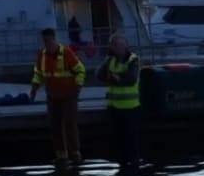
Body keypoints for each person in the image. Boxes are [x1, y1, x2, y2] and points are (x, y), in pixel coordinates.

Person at [30, 28, 86, 166]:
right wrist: (34, 89)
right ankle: (61, 155)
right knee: (55, 125)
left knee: (69, 124)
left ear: (54, 39)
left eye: (49, 41)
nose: (47, 44)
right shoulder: (41, 55)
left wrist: (78, 87)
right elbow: (38, 73)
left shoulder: (66, 53)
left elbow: (80, 70)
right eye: (45, 41)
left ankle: (75, 154)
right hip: (52, 96)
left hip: (69, 95)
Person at [97, 32, 141, 167]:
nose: (114, 48)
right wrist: (115, 75)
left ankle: (133, 164)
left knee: (131, 139)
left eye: (117, 45)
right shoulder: (110, 60)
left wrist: (116, 78)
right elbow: (100, 75)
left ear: (124, 46)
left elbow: (131, 78)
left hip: (130, 107)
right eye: (113, 46)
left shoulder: (132, 59)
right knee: (118, 139)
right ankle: (122, 163)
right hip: (114, 107)